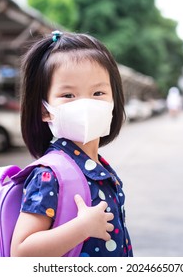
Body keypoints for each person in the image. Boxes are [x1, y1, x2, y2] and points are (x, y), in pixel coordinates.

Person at [10, 31, 133, 257]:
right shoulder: (49, 175)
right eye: (68, 95)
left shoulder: (98, 168)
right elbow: (21, 252)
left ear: (114, 100)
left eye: (98, 93)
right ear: (45, 110)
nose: (85, 104)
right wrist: (82, 228)